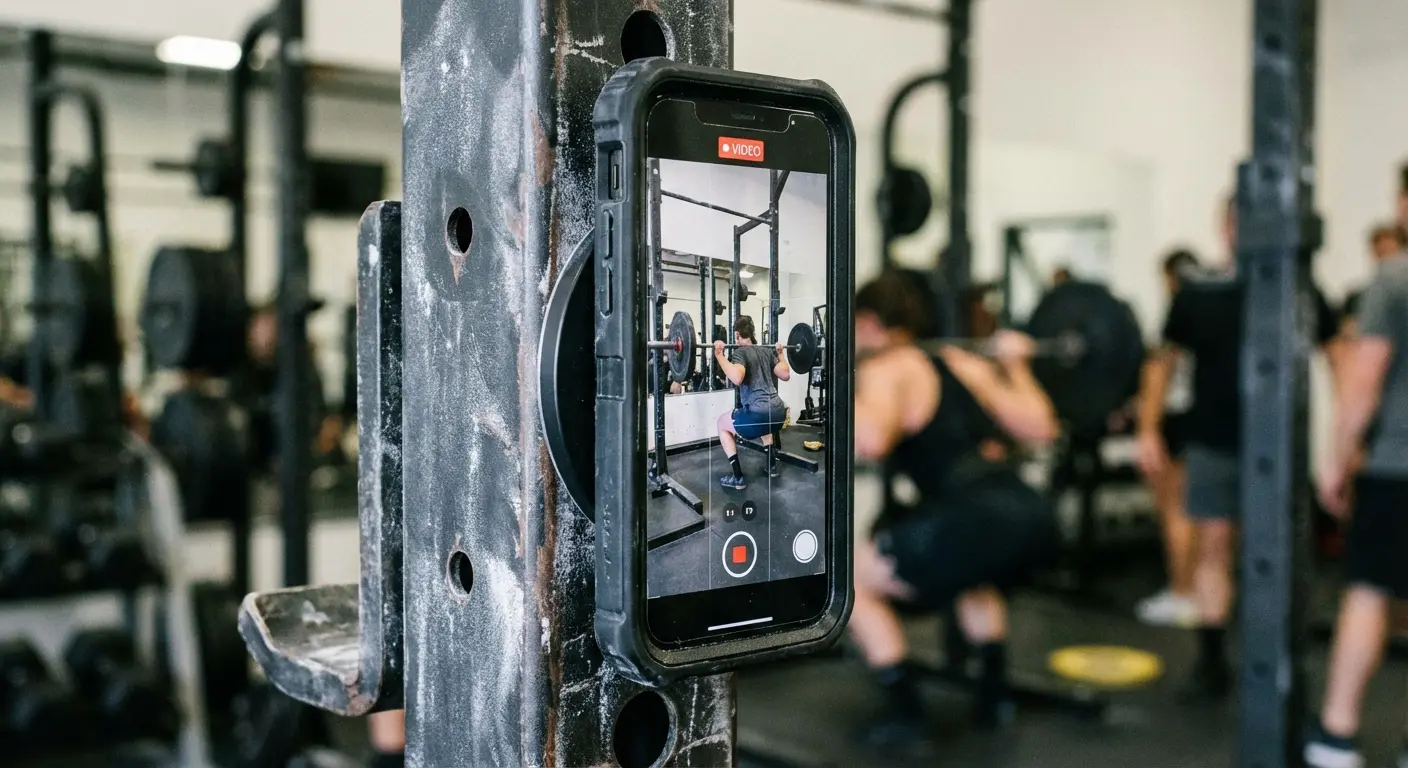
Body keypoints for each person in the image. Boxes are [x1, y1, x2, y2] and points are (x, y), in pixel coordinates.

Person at [1137, 197, 1340, 700]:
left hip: (1281, 446)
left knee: (1278, 553)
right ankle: (1211, 661)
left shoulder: (1300, 291)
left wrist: (1346, 437)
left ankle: (1277, 655)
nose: (1243, 233)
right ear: (1224, 228)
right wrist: (1146, 428)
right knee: (1213, 547)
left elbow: (1339, 355)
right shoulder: (1198, 293)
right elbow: (1162, 363)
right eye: (1235, 224)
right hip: (1214, 442)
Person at [849, 269, 1061, 752]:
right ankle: (993, 696)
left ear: (867, 322)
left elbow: (873, 441)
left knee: (852, 581)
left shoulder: (888, 367)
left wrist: (846, 385)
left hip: (971, 514)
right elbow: (1043, 428)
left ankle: (906, 712)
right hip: (1029, 512)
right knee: (972, 575)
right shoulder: (959, 361)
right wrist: (1018, 366)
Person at [1303, 230, 1408, 768]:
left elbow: (1364, 378)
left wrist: (1335, 459)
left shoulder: (1394, 276)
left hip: (1397, 467)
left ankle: (1336, 737)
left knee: (1368, 592)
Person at [1134, 249, 1201, 628]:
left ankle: (1182, 593)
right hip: (1203, 420)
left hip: (1175, 418)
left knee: (1174, 510)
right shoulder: (1212, 311)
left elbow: (1160, 368)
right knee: (1202, 515)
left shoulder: (1180, 312)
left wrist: (1147, 428)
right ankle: (1198, 591)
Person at [713, 315, 790, 490]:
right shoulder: (765, 350)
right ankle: (771, 467)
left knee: (721, 424)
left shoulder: (740, 352)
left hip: (758, 414)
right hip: (779, 414)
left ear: (738, 335)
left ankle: (738, 478)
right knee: (766, 420)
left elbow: (737, 377)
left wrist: (719, 355)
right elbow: (785, 374)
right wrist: (780, 354)